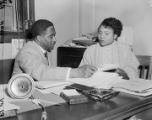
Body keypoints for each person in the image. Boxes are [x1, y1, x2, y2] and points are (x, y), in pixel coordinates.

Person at [12, 19, 97, 81]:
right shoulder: (26, 52)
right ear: (39, 38)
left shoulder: (43, 50)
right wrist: (76, 72)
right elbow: (40, 72)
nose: (55, 39)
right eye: (51, 36)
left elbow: (49, 72)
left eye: (54, 35)